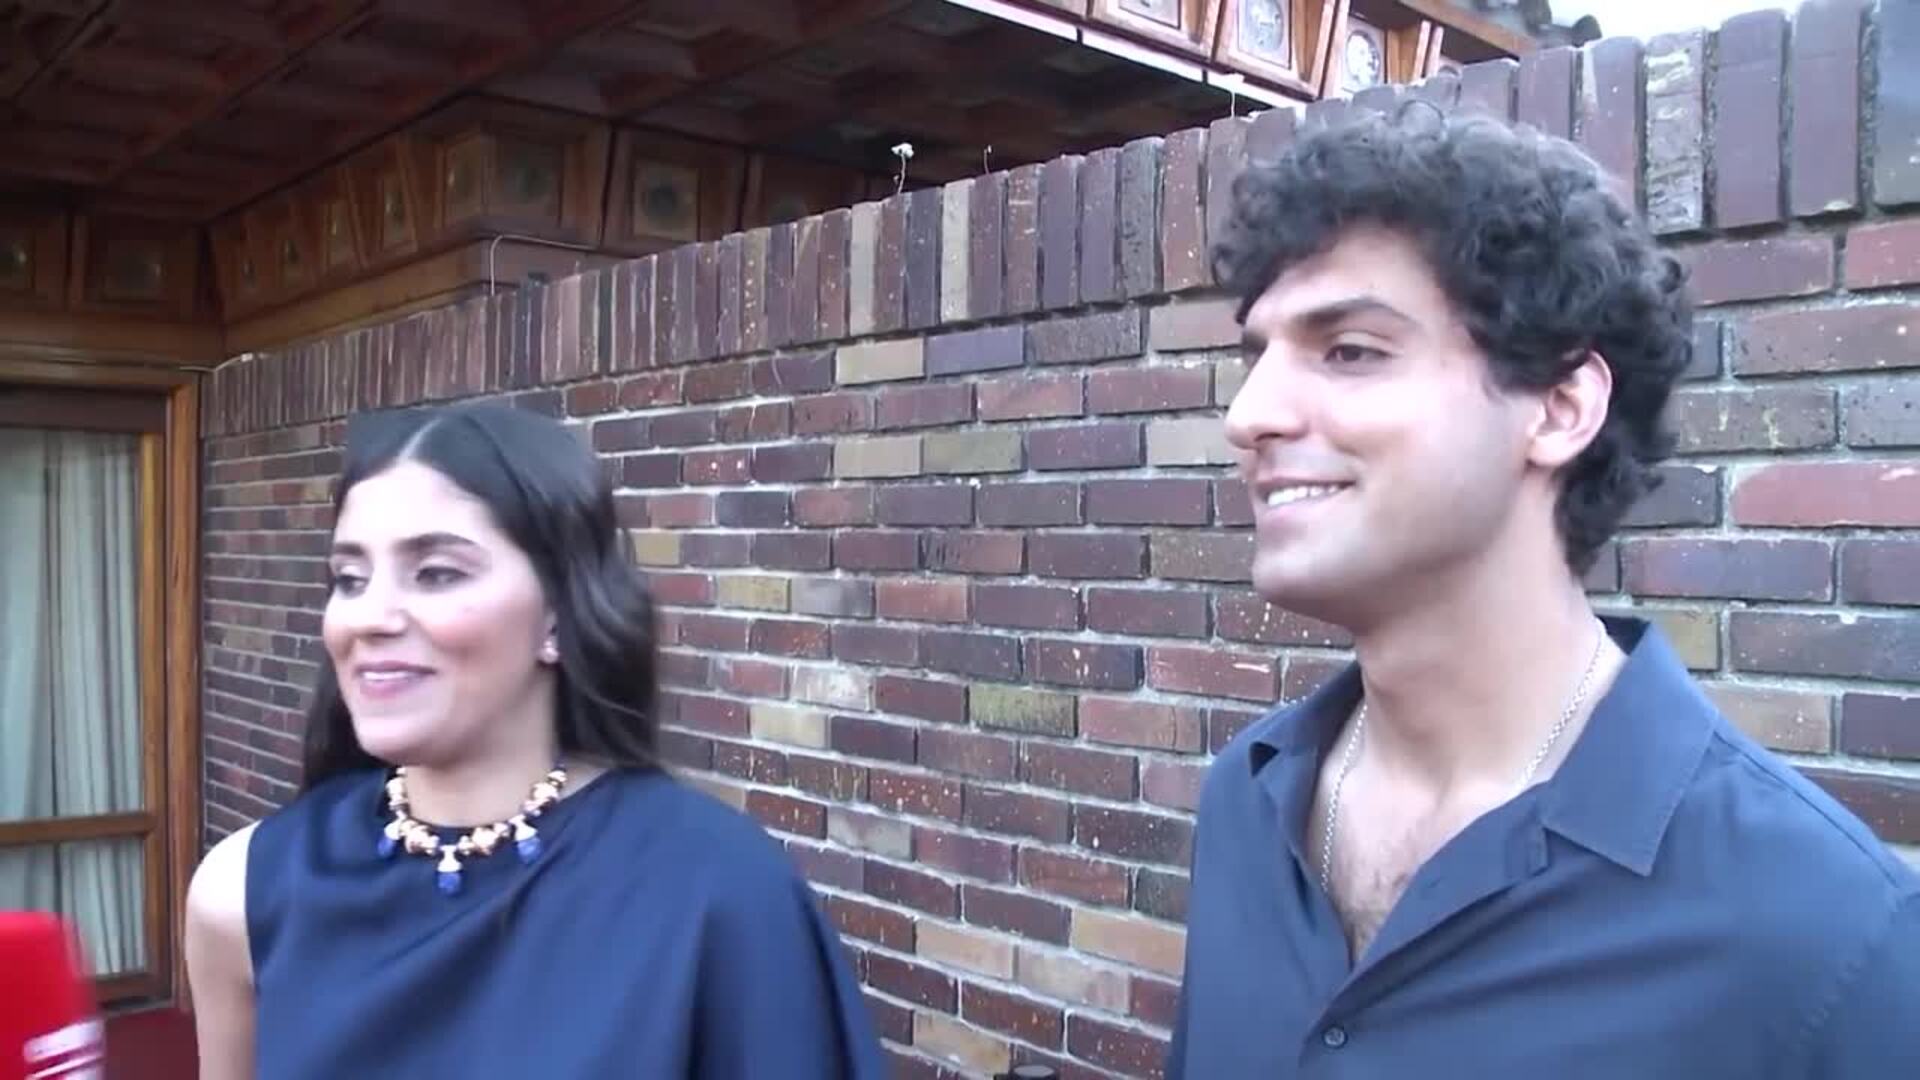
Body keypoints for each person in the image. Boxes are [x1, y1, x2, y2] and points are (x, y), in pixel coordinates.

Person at [1167, 106, 1919, 1077]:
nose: (1248, 414)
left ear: (1560, 409)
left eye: (1350, 349)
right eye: (1256, 356)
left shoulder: (1827, 938)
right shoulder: (1248, 800)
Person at [184, 403, 887, 1079]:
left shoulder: (721, 895)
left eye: (436, 573)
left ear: (557, 613)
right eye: (349, 579)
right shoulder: (243, 891)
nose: (368, 617)